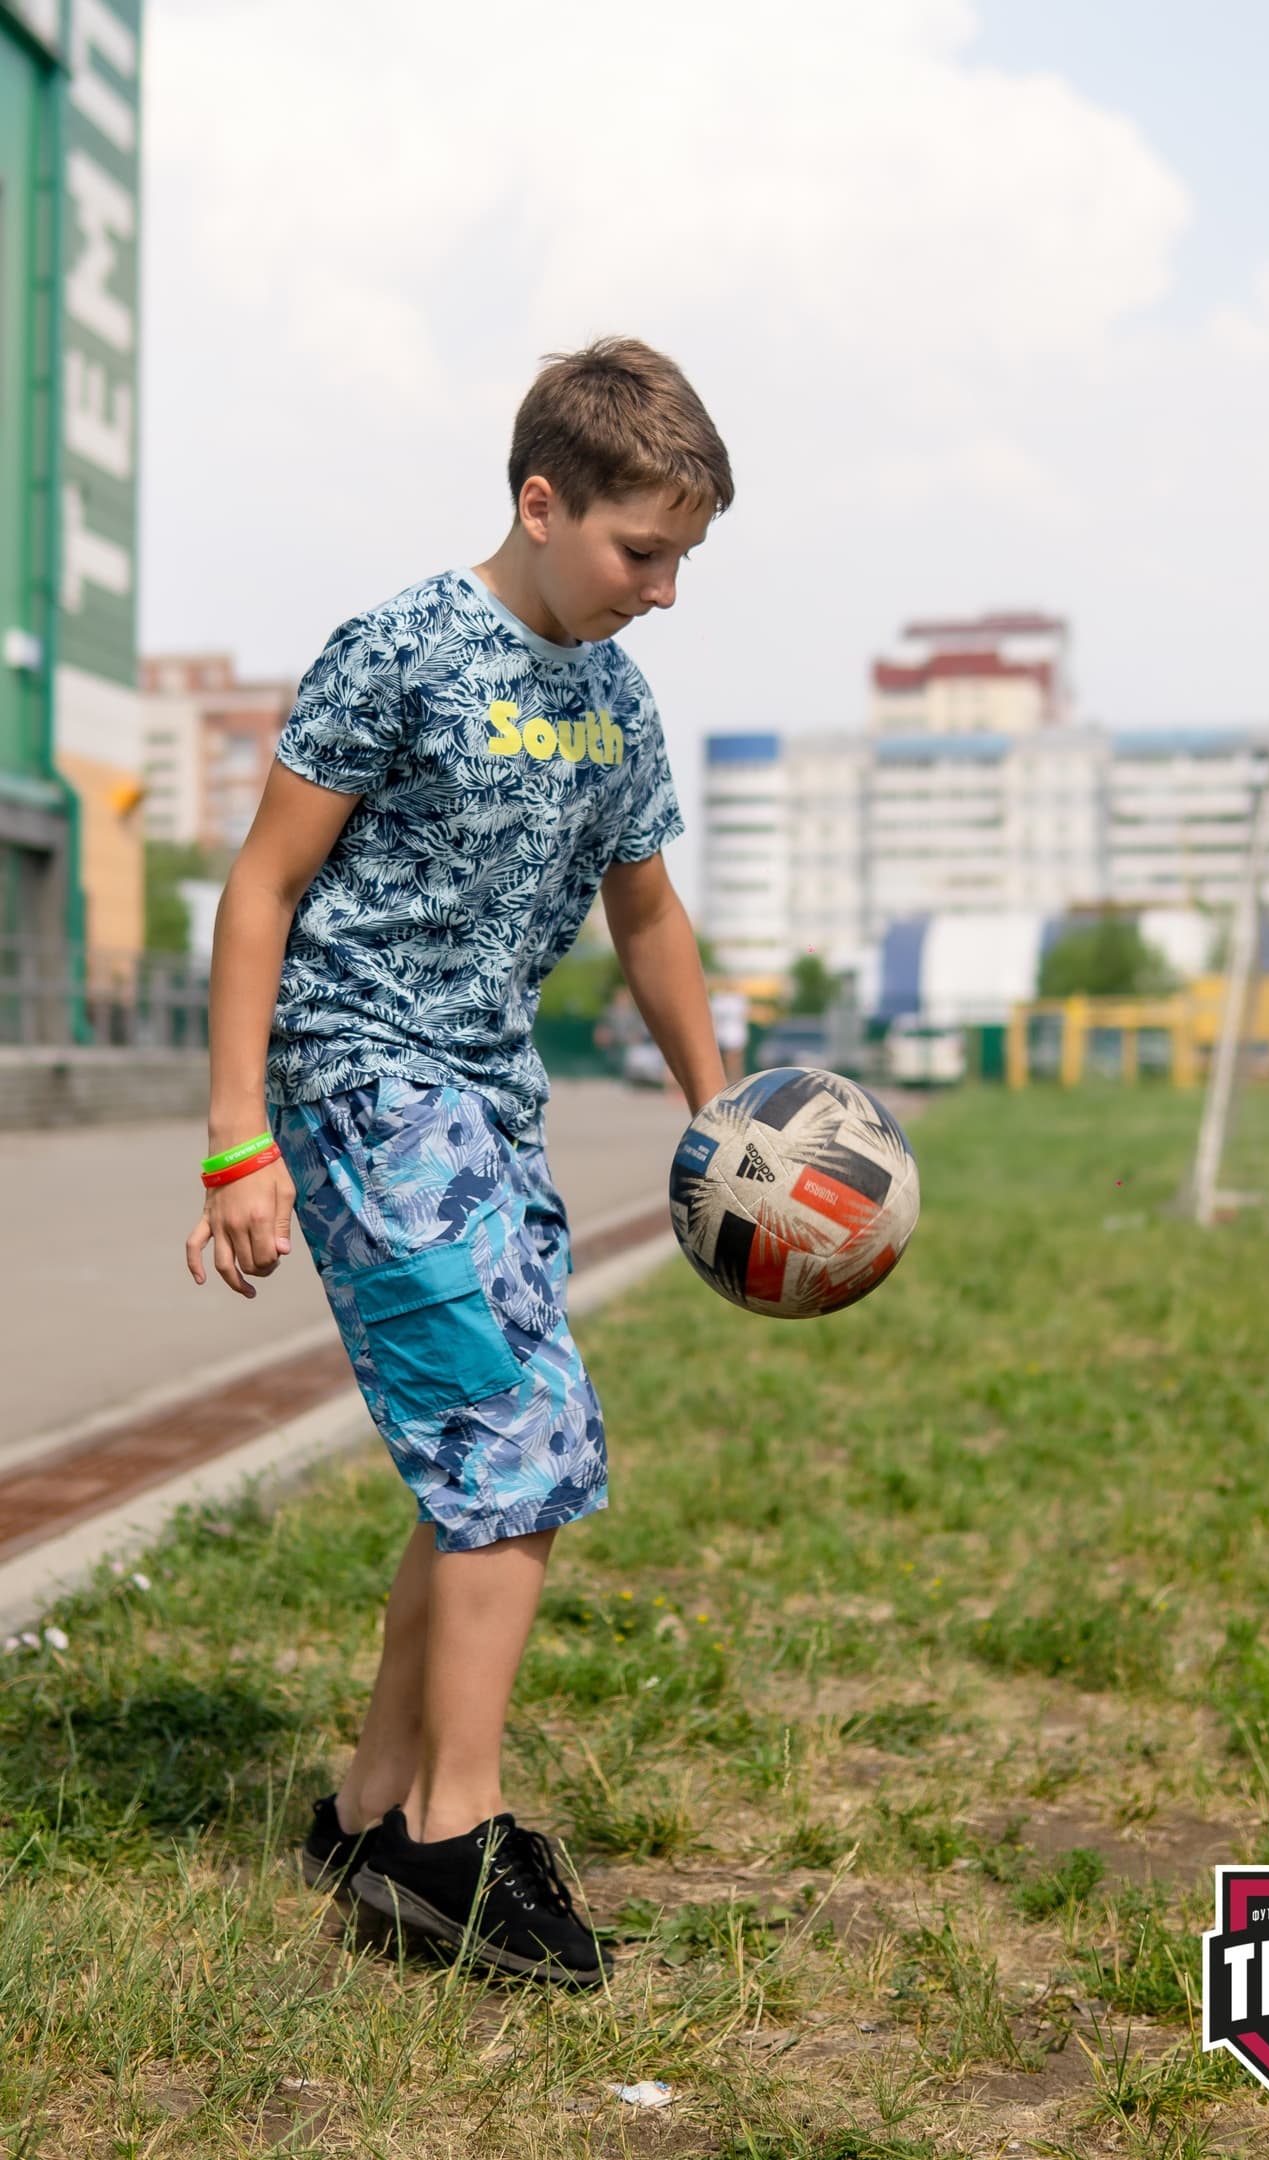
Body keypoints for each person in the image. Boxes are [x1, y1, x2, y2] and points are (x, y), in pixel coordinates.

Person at [184, 337, 732, 1989]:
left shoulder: (616, 699)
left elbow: (647, 916)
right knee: (512, 1441)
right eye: (644, 552)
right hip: (359, 1081)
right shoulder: (401, 652)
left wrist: (721, 1114)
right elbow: (262, 889)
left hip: (494, 1101)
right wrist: (232, 1145)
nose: (664, 591)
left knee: (498, 1453)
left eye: (686, 560)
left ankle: (369, 1809)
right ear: (541, 501)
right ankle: (450, 1841)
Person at [708, 985, 750, 1085]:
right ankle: (729, 1081)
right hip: (722, 1034)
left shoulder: (738, 998)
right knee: (725, 1060)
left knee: (735, 1059)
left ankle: (736, 1081)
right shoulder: (719, 998)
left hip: (735, 1034)